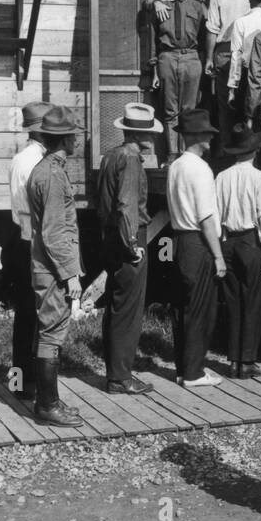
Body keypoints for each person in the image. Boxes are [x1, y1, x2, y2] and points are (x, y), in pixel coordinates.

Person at [25, 107, 85, 427]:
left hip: (48, 266)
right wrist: (70, 273)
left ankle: (49, 399)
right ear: (65, 139)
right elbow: (53, 233)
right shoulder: (50, 174)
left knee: (50, 332)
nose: (76, 139)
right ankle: (46, 406)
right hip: (51, 268)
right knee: (51, 335)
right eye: (73, 134)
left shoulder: (50, 168)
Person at [95, 104, 159, 396]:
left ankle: (116, 372)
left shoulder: (111, 155)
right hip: (128, 238)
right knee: (129, 309)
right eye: (151, 134)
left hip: (110, 237)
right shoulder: (132, 160)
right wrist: (132, 244)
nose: (155, 139)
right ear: (141, 135)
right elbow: (126, 206)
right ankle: (121, 376)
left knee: (117, 304)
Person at [167, 109, 226, 386]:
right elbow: (206, 217)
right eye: (207, 135)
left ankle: (184, 367)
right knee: (201, 307)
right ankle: (194, 372)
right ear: (198, 137)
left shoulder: (177, 165)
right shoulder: (200, 169)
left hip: (179, 238)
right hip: (198, 240)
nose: (211, 139)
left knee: (183, 307)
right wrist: (218, 256)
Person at [216, 122, 261, 378]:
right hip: (252, 242)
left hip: (228, 242)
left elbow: (216, 215)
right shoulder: (260, 178)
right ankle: (247, 361)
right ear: (254, 151)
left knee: (232, 302)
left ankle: (232, 360)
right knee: (253, 302)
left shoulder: (221, 177)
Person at [7, 101, 49, 399]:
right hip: (33, 239)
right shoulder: (33, 161)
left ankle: (22, 381)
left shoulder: (23, 157)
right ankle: (25, 382)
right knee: (31, 315)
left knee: (26, 314)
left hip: (24, 236)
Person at [146, 0, 208, 154]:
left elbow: (206, 37)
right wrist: (155, 2)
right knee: (170, 110)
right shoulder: (158, 4)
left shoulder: (197, 6)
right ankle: (173, 154)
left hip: (191, 57)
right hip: (168, 57)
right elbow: (152, 37)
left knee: (188, 110)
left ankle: (187, 154)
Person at [205, 0, 254, 142]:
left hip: (225, 52)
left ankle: (227, 149)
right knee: (247, 103)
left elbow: (212, 29)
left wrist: (208, 58)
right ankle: (247, 149)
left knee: (225, 105)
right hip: (248, 51)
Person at [227, 0, 261, 128]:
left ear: (250, 0)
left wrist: (232, 89)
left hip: (247, 77)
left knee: (246, 120)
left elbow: (236, 57)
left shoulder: (241, 22)